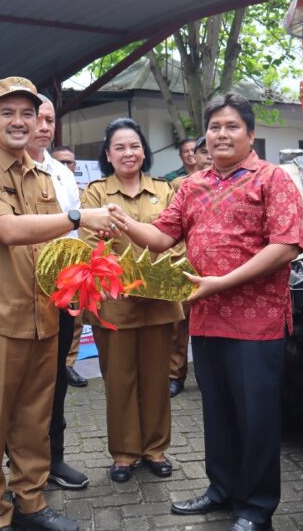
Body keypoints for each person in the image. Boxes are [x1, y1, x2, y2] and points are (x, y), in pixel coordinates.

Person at [108, 93, 303, 531]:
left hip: (257, 323)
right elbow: (161, 237)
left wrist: (223, 282)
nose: (221, 134)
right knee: (218, 412)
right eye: (214, 127)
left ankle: (255, 508)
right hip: (207, 318)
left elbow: (286, 244)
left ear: (251, 134)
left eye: (232, 126)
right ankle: (221, 490)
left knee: (256, 419)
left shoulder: (272, 180)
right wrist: (122, 221)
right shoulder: (192, 185)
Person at [0, 76, 113, 531]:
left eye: (28, 113)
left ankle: (32, 504)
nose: (19, 121)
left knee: (34, 420)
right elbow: (8, 230)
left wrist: (80, 283)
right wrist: (81, 216)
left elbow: (54, 244)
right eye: (8, 113)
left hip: (44, 315)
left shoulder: (44, 175)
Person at [80, 118, 183, 483]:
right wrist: (108, 280)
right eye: (119, 147)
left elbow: (177, 238)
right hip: (115, 303)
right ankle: (124, 453)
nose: (128, 153)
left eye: (135, 145)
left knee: (156, 379)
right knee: (120, 379)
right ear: (107, 154)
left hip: (157, 300)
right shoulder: (95, 193)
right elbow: (89, 242)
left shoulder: (165, 190)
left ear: (144, 151)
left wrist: (167, 274)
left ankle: (155, 449)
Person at [27, 96, 89, 490]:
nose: (44, 126)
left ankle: (54, 457)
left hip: (61, 292)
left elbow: (75, 234)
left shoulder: (63, 174)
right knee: (23, 381)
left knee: (56, 379)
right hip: (19, 292)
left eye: (50, 119)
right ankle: (21, 464)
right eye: (38, 118)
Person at [167, 135, 210, 398]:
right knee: (179, 324)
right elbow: (170, 224)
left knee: (210, 325)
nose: (207, 157)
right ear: (194, 156)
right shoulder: (180, 185)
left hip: (219, 270)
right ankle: (175, 375)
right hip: (184, 263)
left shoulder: (237, 184)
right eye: (202, 152)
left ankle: (209, 377)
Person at [49, 145, 87, 388]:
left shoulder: (79, 189)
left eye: (70, 162)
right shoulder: (44, 180)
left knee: (74, 320)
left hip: (74, 264)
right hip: (45, 265)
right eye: (61, 161)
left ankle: (68, 364)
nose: (66, 166)